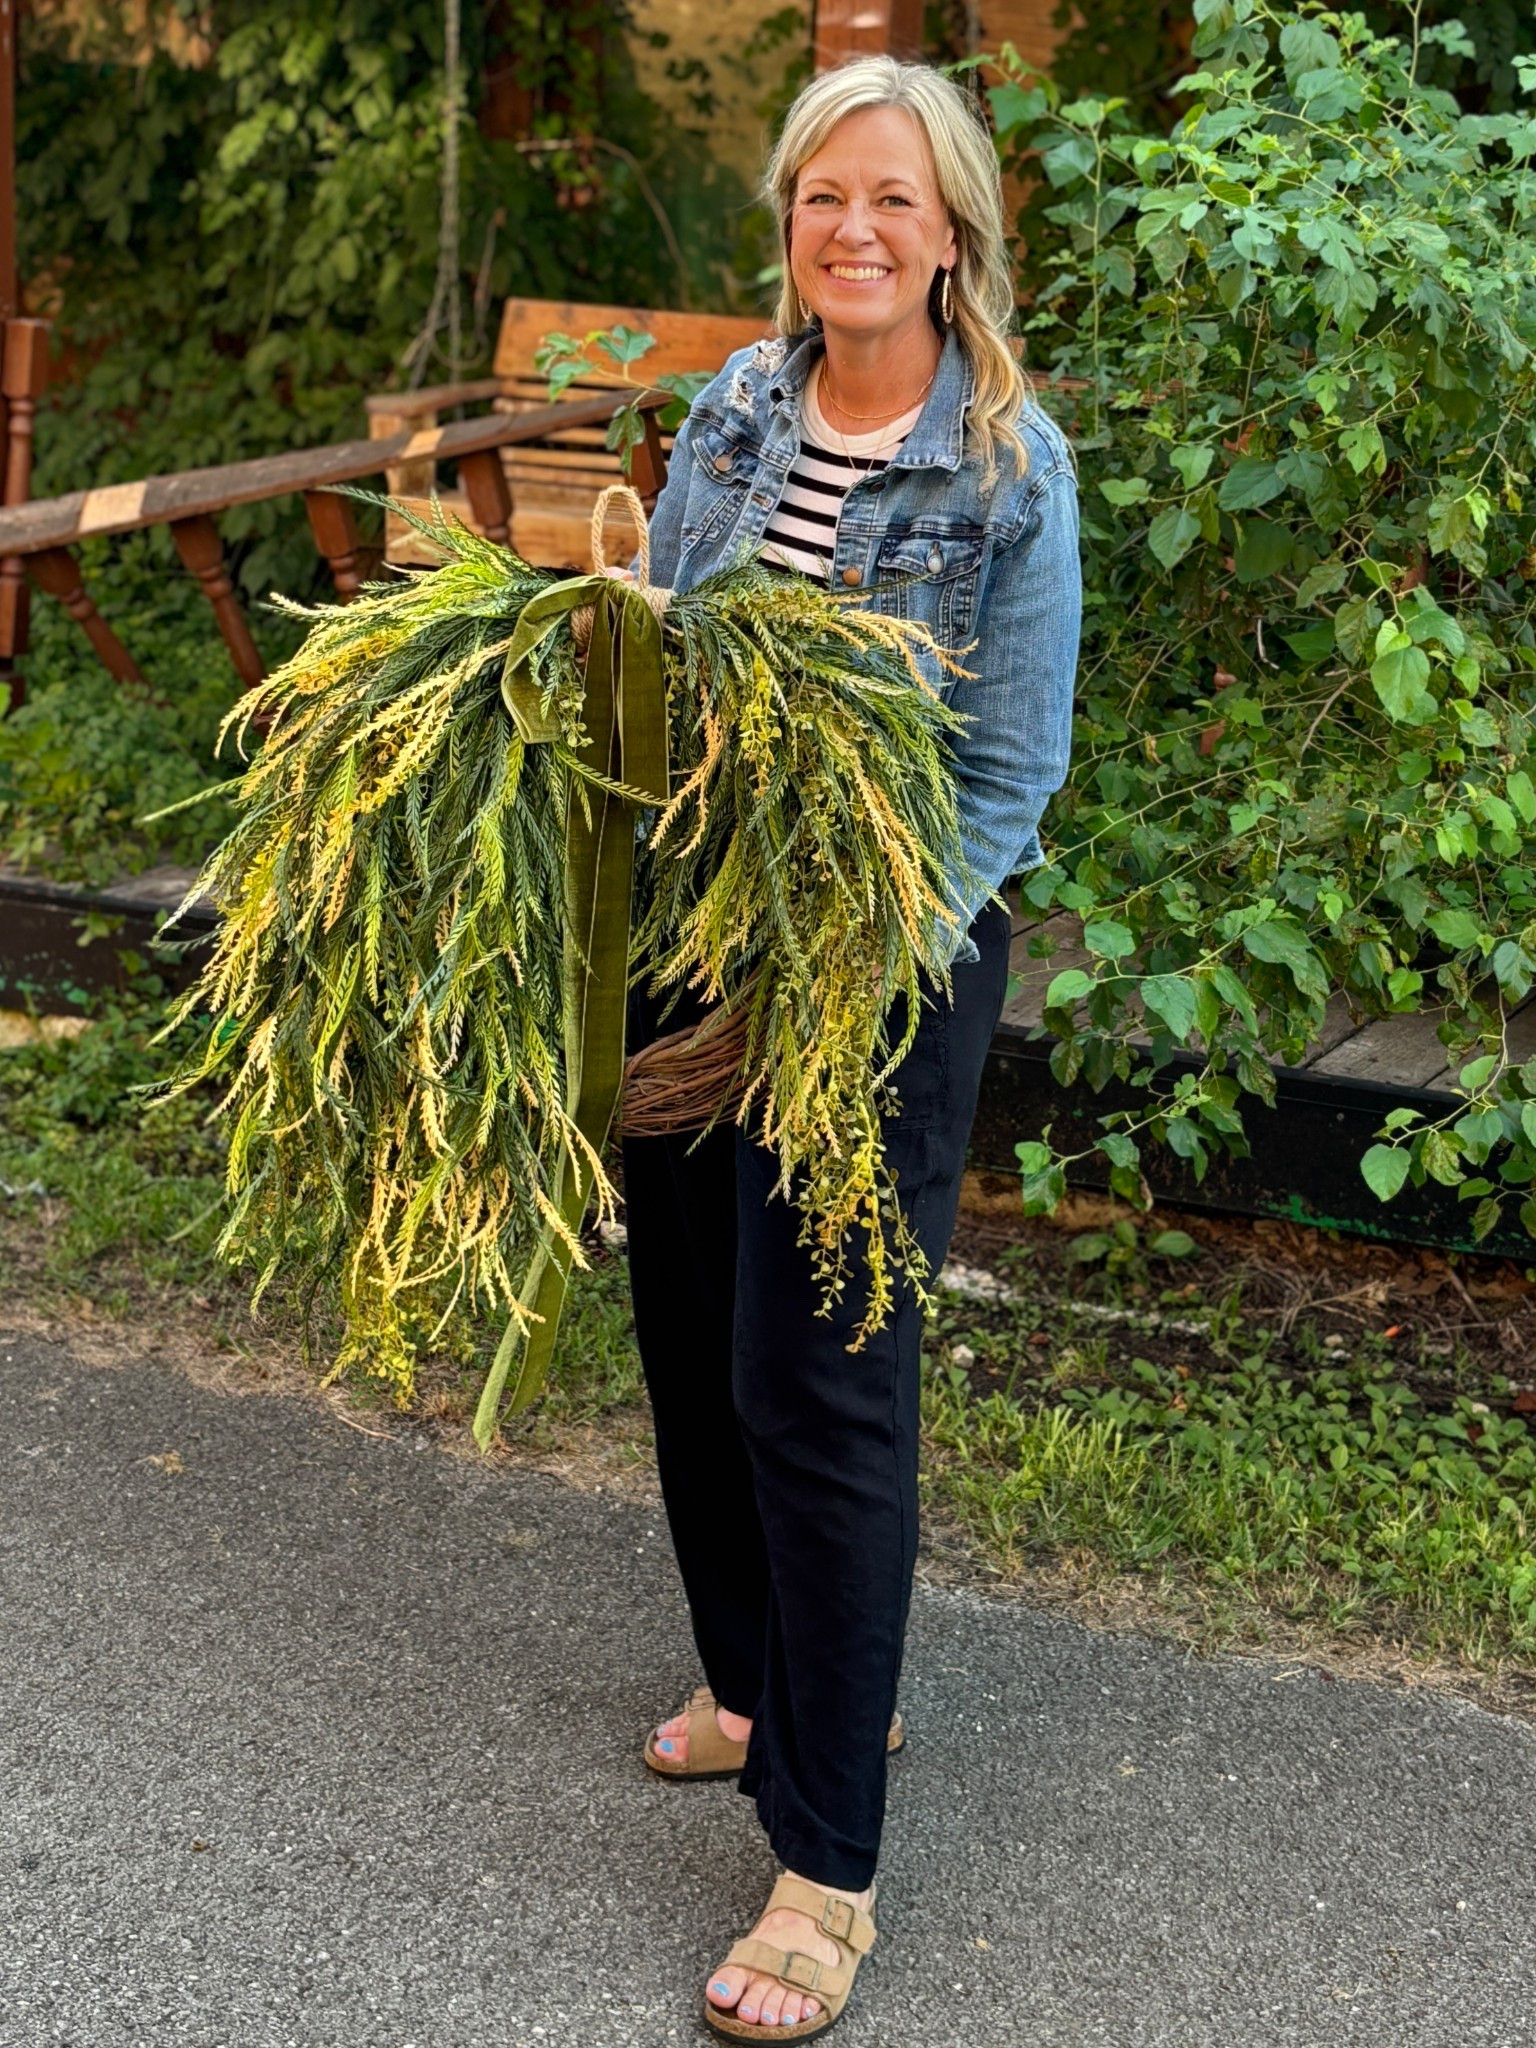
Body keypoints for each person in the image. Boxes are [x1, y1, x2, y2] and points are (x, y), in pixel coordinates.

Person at [620, 53, 1081, 2042]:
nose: (855, 229)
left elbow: (1008, 779)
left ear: (953, 230)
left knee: (818, 1382)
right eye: (825, 195)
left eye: (893, 197)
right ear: (792, 224)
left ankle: (827, 1860)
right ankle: (760, 1682)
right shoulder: (740, 402)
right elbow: (671, 641)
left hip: (874, 970)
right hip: (689, 930)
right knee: (691, 1327)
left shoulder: (1007, 467)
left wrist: (828, 979)